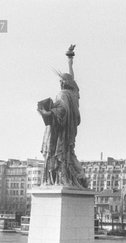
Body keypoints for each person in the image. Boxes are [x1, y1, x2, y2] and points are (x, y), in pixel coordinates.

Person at [38, 45, 87, 188]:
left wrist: (47, 111)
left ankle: (60, 179)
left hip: (60, 132)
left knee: (59, 155)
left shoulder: (62, 95)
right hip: (69, 133)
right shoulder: (74, 95)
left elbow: (61, 112)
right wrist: (70, 60)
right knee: (68, 155)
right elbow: (73, 80)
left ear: (63, 83)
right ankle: (77, 177)